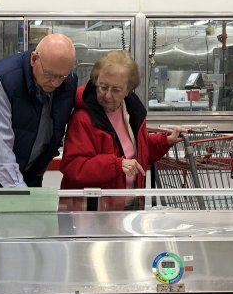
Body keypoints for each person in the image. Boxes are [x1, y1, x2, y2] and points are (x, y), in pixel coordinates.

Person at [60, 50, 182, 210]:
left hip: (128, 204)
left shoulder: (132, 111)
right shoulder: (83, 118)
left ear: (128, 89)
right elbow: (73, 165)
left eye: (116, 90)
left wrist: (165, 141)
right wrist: (116, 165)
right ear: (95, 81)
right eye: (102, 87)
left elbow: (136, 153)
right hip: (92, 211)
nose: (107, 95)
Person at [0, 33, 78, 188]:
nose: (55, 83)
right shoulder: (2, 79)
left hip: (28, 174)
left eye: (62, 76)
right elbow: (0, 148)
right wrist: (21, 194)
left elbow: (56, 126)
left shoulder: (69, 82)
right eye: (50, 74)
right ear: (34, 59)